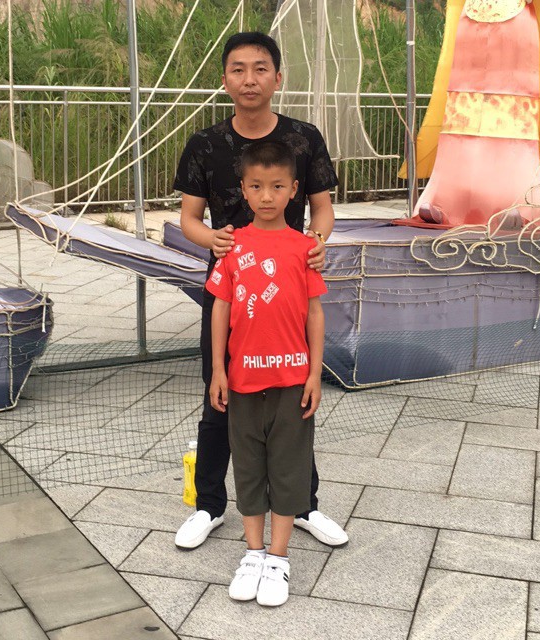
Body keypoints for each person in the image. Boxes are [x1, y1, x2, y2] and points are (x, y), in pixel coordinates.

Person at [173, 32, 348, 549]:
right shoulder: (205, 143)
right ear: (225, 79)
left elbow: (322, 208)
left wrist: (316, 243)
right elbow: (189, 218)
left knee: (293, 402)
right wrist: (213, 240)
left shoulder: (304, 138)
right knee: (219, 394)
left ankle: (303, 504)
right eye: (238, 69)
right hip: (232, 286)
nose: (249, 79)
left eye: (260, 68)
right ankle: (209, 505)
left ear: (277, 77)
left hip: (289, 285)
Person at [207, 140, 326, 606]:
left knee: (289, 468)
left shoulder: (305, 248)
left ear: (294, 189)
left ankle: (278, 558)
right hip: (241, 381)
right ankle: (253, 553)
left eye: (277, 186)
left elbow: (314, 313)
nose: (267, 196)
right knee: (249, 466)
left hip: (293, 381)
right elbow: (220, 308)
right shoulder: (232, 245)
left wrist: (314, 373)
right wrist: (218, 370)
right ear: (243, 189)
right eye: (256, 186)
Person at [398, 0, 540, 229]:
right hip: (471, 22)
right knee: (461, 116)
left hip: (515, 22)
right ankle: (445, 203)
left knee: (511, 116)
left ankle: (518, 205)